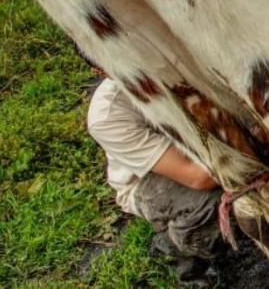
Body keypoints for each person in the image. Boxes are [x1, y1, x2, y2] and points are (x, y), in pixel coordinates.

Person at [87, 77, 223, 286]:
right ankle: (173, 247)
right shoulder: (107, 116)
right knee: (216, 205)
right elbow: (199, 177)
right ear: (98, 70)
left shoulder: (170, 65)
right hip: (147, 181)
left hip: (203, 151)